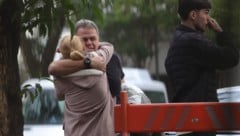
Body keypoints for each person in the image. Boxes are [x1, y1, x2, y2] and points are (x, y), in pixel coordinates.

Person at [165, 0, 239, 135]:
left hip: (184, 122)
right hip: (200, 121)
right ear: (193, 15)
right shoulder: (195, 41)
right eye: (206, 13)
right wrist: (219, 31)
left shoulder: (176, 42)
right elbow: (231, 57)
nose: (209, 19)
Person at [48, 19, 124, 135]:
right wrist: (88, 62)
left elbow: (59, 93)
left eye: (92, 39)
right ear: (76, 41)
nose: (89, 43)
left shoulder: (62, 69)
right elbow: (108, 46)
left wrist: (66, 50)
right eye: (84, 39)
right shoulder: (101, 58)